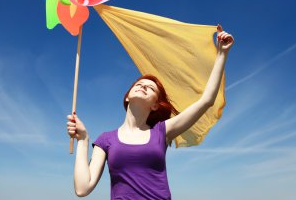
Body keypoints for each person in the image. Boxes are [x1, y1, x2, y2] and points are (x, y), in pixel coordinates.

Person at [66, 26, 234, 199]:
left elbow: (206, 101)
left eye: (151, 88)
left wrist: (222, 54)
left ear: (155, 105)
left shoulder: (162, 132)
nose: (143, 86)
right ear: (127, 98)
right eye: (138, 84)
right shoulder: (105, 140)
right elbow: (82, 189)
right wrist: (83, 141)